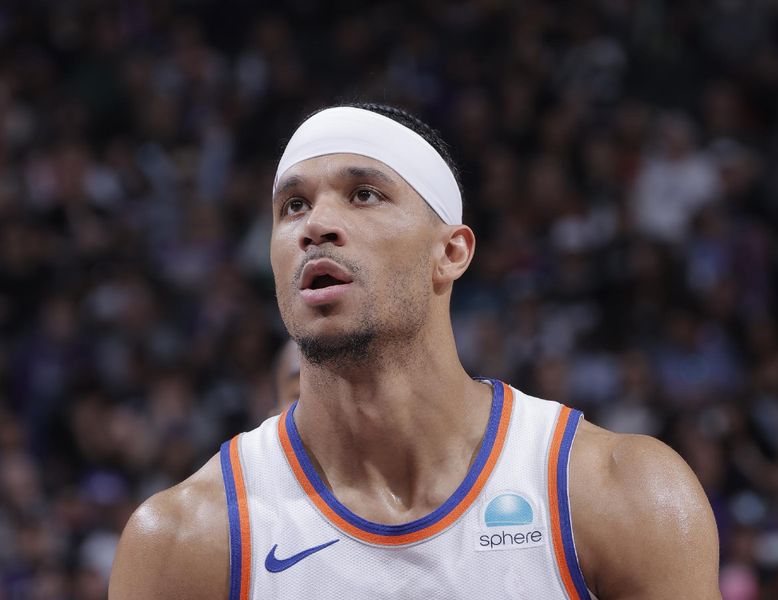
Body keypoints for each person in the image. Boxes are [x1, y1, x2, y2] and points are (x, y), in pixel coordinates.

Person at [109, 103, 721, 599]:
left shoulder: (623, 494)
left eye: (364, 194)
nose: (314, 224)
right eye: (293, 205)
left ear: (451, 253)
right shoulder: (184, 541)